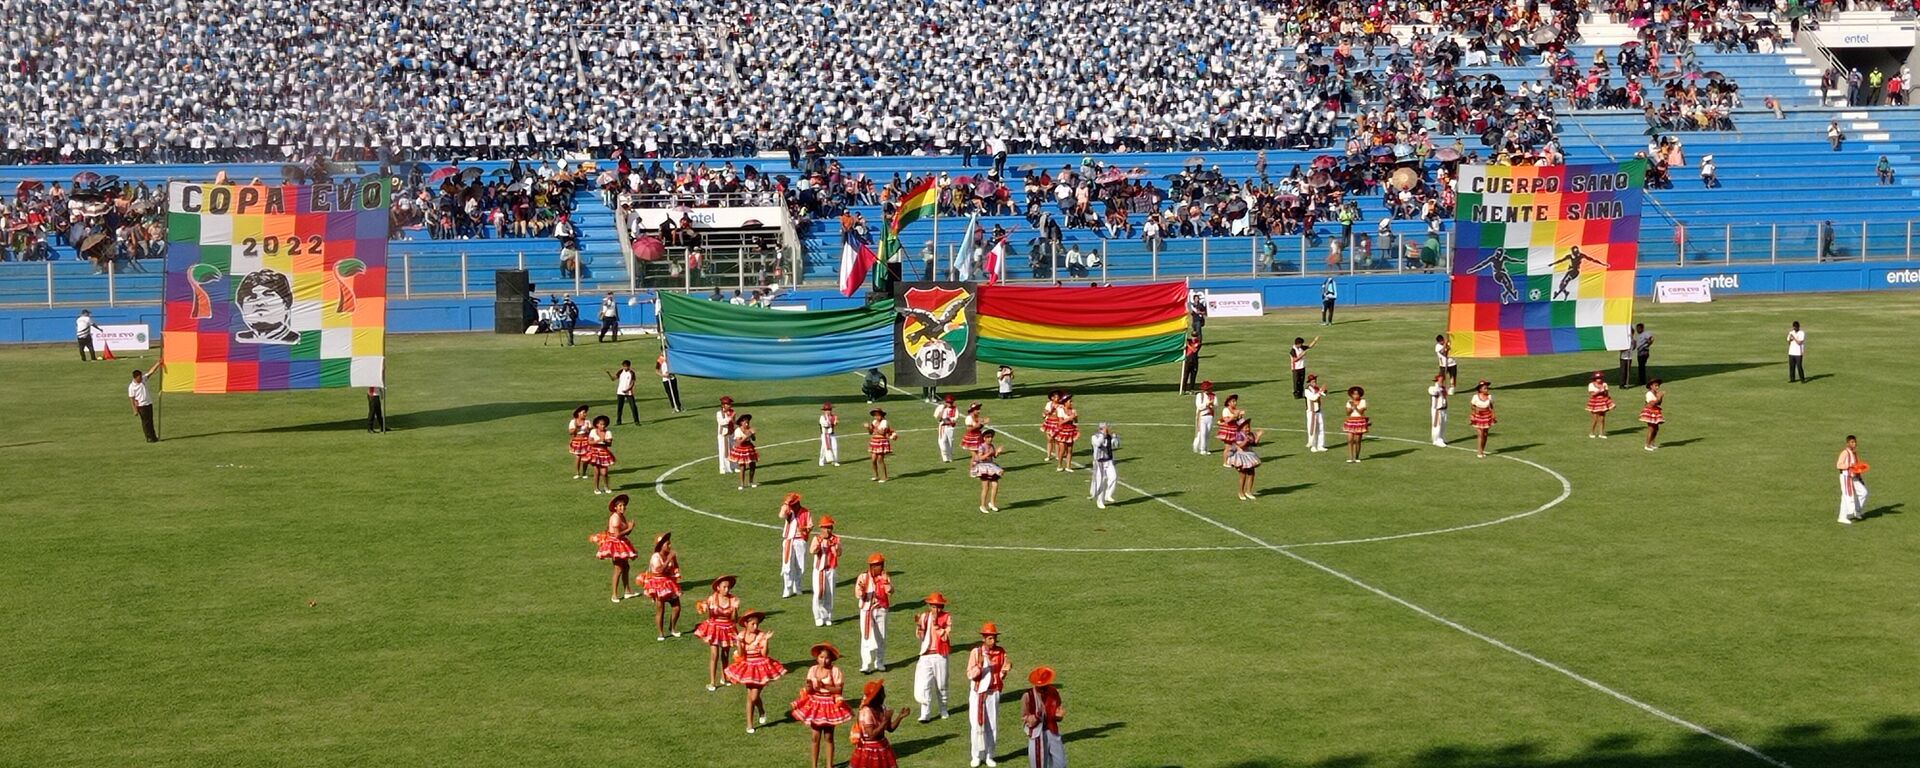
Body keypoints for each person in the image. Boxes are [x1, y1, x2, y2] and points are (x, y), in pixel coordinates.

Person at [723, 609, 787, 734]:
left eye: (757, 624)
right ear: (746, 624)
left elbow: (764, 654)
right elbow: (741, 654)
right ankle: (749, 724)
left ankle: (761, 710)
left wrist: (766, 641)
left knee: (754, 696)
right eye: (753, 624)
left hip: (760, 667)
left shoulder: (761, 635)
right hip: (747, 667)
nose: (755, 626)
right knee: (750, 697)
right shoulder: (741, 636)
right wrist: (739, 643)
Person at [792, 642, 854, 768]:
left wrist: (824, 686)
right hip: (815, 704)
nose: (824, 660)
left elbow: (838, 690)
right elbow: (809, 690)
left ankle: (829, 765)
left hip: (830, 705)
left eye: (827, 658)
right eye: (821, 657)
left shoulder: (835, 671)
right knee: (815, 736)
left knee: (829, 736)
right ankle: (814, 766)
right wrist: (809, 687)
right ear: (817, 658)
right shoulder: (812, 670)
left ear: (831, 658)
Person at [967, 622, 1010, 768]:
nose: (993, 641)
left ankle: (990, 755)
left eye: (994, 638)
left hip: (993, 693)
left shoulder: (1001, 652)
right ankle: (976, 755)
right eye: (990, 638)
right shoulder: (976, 653)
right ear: (984, 639)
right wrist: (979, 666)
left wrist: (1006, 670)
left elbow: (1002, 673)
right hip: (977, 694)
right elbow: (970, 675)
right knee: (976, 725)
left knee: (992, 725)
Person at [693, 575, 741, 691]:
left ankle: (724, 678)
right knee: (714, 655)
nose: (727, 589)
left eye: (728, 587)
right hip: (714, 628)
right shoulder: (712, 599)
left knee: (725, 655)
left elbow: (734, 619)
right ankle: (712, 682)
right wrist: (705, 608)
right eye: (724, 587)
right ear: (718, 588)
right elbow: (710, 616)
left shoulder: (734, 600)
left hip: (728, 628)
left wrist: (735, 610)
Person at [913, 592, 953, 722]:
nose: (937, 609)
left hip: (940, 655)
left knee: (941, 684)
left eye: (939, 606)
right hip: (926, 655)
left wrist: (936, 624)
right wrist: (919, 626)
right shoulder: (924, 617)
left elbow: (945, 636)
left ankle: (943, 709)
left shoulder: (947, 617)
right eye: (934, 606)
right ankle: (925, 713)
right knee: (925, 685)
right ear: (930, 606)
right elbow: (920, 637)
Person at [850, 680, 908, 768]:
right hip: (870, 749)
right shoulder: (866, 712)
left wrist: (900, 717)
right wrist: (885, 720)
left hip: (883, 746)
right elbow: (871, 735)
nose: (884, 696)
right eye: (882, 694)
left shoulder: (882, 707)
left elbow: (890, 728)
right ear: (875, 697)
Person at [595, 494, 639, 603]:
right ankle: (614, 595)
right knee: (618, 569)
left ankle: (627, 591)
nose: (622, 508)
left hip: (621, 543)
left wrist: (630, 528)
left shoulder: (621, 516)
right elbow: (617, 535)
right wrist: (630, 527)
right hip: (615, 544)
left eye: (623, 505)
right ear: (615, 507)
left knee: (626, 567)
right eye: (620, 506)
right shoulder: (615, 518)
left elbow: (625, 533)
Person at [641, 532, 683, 640]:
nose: (670, 546)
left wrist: (675, 567)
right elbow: (659, 571)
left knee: (677, 607)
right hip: (658, 584)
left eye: (670, 544)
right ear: (661, 546)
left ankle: (672, 628)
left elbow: (675, 566)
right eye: (667, 544)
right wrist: (669, 559)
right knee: (661, 609)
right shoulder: (655, 557)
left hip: (669, 583)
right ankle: (661, 633)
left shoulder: (670, 555)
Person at [1022, 667, 1067, 768]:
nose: (1042, 687)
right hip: (1037, 734)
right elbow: (1026, 717)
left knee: (1060, 763)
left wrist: (1059, 716)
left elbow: (1057, 711)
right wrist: (1032, 718)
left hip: (1052, 731)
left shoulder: (1053, 692)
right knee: (1038, 765)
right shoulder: (1028, 696)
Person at [856, 553, 893, 673]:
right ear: (872, 566)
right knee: (866, 636)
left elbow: (891, 591)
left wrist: (886, 582)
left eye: (881, 565)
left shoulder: (885, 576)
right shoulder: (863, 577)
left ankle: (880, 662)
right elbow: (858, 594)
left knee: (881, 636)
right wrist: (862, 590)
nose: (881, 567)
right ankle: (866, 663)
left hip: (881, 609)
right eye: (878, 565)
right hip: (867, 610)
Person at [775, 492, 813, 599]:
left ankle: (798, 586)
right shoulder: (789, 511)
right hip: (788, 541)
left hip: (800, 541)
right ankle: (787, 588)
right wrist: (786, 504)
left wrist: (805, 529)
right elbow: (781, 515)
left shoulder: (806, 512)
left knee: (800, 565)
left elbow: (810, 525)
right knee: (787, 566)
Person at [810, 516, 842, 626]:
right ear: (821, 528)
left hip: (831, 569)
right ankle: (818, 616)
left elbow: (839, 553)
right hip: (819, 570)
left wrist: (836, 548)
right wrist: (820, 543)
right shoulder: (817, 539)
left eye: (830, 528)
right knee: (819, 593)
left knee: (830, 593)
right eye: (826, 528)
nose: (828, 530)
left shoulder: (836, 539)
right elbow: (812, 551)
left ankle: (828, 616)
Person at [1226, 418, 1266, 501]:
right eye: (1246, 427)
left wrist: (1258, 436)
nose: (1248, 429)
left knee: (1251, 473)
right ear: (1240, 428)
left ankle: (1248, 491)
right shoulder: (1239, 435)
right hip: (1241, 455)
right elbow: (1240, 446)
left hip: (1249, 454)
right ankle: (1241, 492)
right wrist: (1245, 440)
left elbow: (1254, 443)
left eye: (1248, 427)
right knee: (1243, 474)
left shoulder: (1250, 434)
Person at [1837, 435, 1869, 524]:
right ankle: (1842, 517)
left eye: (1855, 442)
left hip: (1854, 476)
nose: (1854, 444)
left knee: (1863, 492)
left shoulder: (1854, 453)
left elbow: (1857, 466)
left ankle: (1857, 510)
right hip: (1846, 476)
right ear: (1847, 443)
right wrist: (1849, 465)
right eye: (1852, 442)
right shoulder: (1845, 453)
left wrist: (1860, 476)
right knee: (1846, 496)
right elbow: (1838, 465)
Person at [972, 429, 1005, 513]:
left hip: (991, 466)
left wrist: (998, 452)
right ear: (984, 438)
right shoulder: (982, 446)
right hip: (983, 467)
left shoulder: (992, 446)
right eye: (988, 437)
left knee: (995, 484)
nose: (990, 439)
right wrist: (988, 454)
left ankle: (992, 503)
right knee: (985, 487)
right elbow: (980, 458)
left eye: (991, 437)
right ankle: (982, 505)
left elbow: (994, 455)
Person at [128, 362, 163, 442]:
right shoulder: (131, 387)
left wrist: (158, 364)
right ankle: (149, 437)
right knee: (145, 422)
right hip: (141, 405)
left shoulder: (143, 379)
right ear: (135, 378)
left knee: (150, 420)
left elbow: (151, 371)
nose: (141, 378)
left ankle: (153, 437)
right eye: (139, 378)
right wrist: (134, 410)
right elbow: (132, 399)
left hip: (148, 403)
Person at [1089, 423, 1119, 509]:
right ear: (1101, 429)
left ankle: (1108, 495)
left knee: (1113, 477)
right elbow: (1098, 444)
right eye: (1106, 428)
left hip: (1108, 461)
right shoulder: (1094, 437)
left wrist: (1116, 438)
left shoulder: (1109, 437)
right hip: (1098, 462)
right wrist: (1103, 435)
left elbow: (1116, 445)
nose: (1108, 430)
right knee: (1100, 482)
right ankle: (1100, 501)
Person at [585, 415, 616, 494]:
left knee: (604, 472)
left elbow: (609, 444)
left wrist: (605, 441)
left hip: (604, 452)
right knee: (597, 472)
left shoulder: (608, 432)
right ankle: (596, 488)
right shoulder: (593, 431)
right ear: (597, 424)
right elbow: (589, 442)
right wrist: (598, 441)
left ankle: (606, 486)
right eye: (601, 424)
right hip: (595, 452)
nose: (603, 426)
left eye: (604, 424)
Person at [1051, 394, 1079, 471]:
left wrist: (1075, 418)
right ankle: (1059, 465)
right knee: (1062, 449)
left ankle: (1068, 466)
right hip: (1063, 431)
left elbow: (1076, 422)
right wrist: (1070, 418)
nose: (1071, 403)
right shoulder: (1061, 410)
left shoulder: (1073, 410)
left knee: (1070, 450)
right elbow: (1060, 422)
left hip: (1070, 431)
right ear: (1065, 402)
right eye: (1070, 401)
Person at [867, 409, 896, 483]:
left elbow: (882, 432)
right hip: (875, 441)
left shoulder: (884, 422)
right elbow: (870, 432)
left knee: (880, 460)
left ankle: (885, 477)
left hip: (881, 442)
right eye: (875, 415)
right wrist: (868, 428)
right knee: (873, 460)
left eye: (878, 415)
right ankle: (876, 475)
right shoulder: (874, 422)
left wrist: (873, 428)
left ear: (882, 415)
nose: (876, 417)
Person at [731, 413, 760, 489]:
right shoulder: (737, 431)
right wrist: (747, 436)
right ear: (741, 422)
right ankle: (742, 484)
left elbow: (754, 439)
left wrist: (753, 434)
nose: (746, 423)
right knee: (742, 466)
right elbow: (739, 442)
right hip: (741, 448)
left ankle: (751, 481)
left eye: (747, 422)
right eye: (745, 422)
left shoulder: (749, 429)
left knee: (752, 465)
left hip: (749, 447)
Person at [1468, 380, 1496, 458]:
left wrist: (1493, 415)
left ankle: (1482, 450)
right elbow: (1473, 406)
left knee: (1485, 434)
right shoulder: (1475, 397)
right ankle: (1479, 452)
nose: (1487, 390)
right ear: (1480, 389)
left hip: (1487, 416)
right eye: (1485, 388)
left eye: (1487, 388)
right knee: (1480, 434)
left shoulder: (1490, 397)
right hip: (1478, 416)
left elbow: (1491, 407)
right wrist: (1473, 414)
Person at [1214, 393, 1245, 464]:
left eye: (1235, 401)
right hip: (1228, 430)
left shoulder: (1236, 410)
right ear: (1229, 402)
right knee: (1228, 447)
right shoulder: (1226, 410)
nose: (1235, 403)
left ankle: (1233, 460)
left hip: (1235, 430)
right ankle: (1225, 462)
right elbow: (1227, 420)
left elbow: (1238, 421)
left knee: (1236, 447)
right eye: (1233, 401)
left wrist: (1240, 416)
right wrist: (1234, 416)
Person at [608, 360, 639, 426]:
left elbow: (632, 383)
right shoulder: (620, 371)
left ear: (629, 366)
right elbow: (614, 378)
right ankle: (618, 421)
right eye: (624, 366)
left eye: (626, 366)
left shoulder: (631, 373)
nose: (625, 368)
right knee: (620, 407)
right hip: (620, 392)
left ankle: (636, 421)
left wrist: (628, 389)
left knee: (633, 407)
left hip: (628, 392)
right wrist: (610, 375)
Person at [1343, 386, 1370, 463]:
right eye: (1354, 394)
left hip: (1359, 421)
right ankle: (1351, 457)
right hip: (1351, 421)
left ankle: (1357, 456)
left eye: (1357, 394)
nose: (1355, 396)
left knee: (1357, 440)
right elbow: (1348, 413)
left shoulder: (1363, 401)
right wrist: (1351, 407)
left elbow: (1361, 412)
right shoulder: (1349, 402)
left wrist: (1355, 406)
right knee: (1350, 440)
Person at [567, 405, 592, 480]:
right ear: (579, 413)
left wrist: (588, 429)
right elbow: (571, 432)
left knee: (586, 458)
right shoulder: (573, 421)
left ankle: (584, 473)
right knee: (578, 457)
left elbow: (591, 431)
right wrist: (576, 428)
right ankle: (577, 473)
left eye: (585, 413)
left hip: (585, 440)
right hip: (577, 440)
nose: (585, 414)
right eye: (583, 413)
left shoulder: (587, 422)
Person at [1586, 372, 1615, 438]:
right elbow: (1592, 394)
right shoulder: (1591, 385)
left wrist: (1610, 402)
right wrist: (1599, 391)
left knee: (1602, 418)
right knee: (1595, 418)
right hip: (1595, 402)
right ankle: (1592, 432)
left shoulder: (1604, 384)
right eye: (1598, 378)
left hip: (1603, 401)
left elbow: (1607, 394)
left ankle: (1601, 433)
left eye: (1601, 378)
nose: (1599, 379)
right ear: (1595, 379)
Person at [1640, 379, 1665, 451]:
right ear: (1651, 386)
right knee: (1651, 428)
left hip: (1655, 411)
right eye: (1656, 386)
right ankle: (1647, 445)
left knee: (1656, 428)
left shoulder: (1656, 393)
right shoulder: (1649, 394)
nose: (1657, 387)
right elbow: (1652, 404)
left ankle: (1652, 443)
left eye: (1658, 386)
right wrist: (1659, 396)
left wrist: (1661, 397)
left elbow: (1659, 403)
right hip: (1650, 412)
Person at [1304, 374, 1328, 452]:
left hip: (1319, 411)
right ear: (1310, 382)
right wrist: (1320, 392)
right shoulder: (1307, 390)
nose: (1314, 382)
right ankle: (1313, 445)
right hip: (1311, 412)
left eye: (1315, 380)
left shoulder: (1316, 388)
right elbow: (1313, 398)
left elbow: (1323, 394)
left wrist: (1324, 390)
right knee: (1312, 428)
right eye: (1313, 381)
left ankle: (1320, 445)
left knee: (1321, 428)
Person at [1192, 381, 1217, 455]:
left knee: (1208, 433)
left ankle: (1206, 447)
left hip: (1210, 416)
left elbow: (1216, 405)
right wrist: (1207, 404)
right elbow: (1199, 406)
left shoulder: (1213, 396)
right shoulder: (1200, 395)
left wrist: (1212, 405)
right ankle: (1202, 449)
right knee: (1202, 432)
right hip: (1201, 416)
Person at [1428, 373, 1452, 447]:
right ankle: (1436, 439)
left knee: (1443, 424)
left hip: (1444, 409)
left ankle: (1441, 437)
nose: (1442, 381)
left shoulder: (1443, 388)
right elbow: (1433, 392)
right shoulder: (1433, 388)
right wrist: (1438, 386)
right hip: (1437, 410)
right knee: (1437, 425)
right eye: (1441, 380)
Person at [715, 396, 737, 474]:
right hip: (723, 435)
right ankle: (723, 468)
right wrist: (730, 417)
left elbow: (734, 423)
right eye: (728, 404)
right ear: (723, 405)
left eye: (730, 404)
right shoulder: (719, 413)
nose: (729, 405)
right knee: (723, 451)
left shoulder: (732, 411)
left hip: (731, 433)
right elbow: (722, 422)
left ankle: (734, 466)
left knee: (733, 450)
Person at [935, 395, 960, 462]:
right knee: (942, 442)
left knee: (950, 442)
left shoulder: (955, 409)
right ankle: (944, 456)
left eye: (951, 402)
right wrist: (943, 410)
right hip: (943, 427)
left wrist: (949, 420)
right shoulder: (941, 407)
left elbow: (955, 418)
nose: (949, 404)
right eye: (948, 402)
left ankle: (950, 456)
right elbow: (938, 417)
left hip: (950, 427)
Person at [1040, 391, 1062, 461]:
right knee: (1049, 440)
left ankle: (1057, 455)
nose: (1057, 398)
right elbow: (1045, 413)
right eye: (1055, 397)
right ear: (1052, 398)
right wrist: (1051, 410)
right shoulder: (1049, 404)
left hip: (1057, 423)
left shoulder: (1061, 405)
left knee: (1057, 440)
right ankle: (1048, 455)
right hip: (1049, 423)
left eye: (1058, 396)